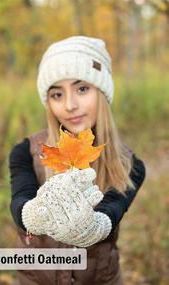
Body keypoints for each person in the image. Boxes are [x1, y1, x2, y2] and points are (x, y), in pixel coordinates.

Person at [9, 35, 146, 285]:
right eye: (57, 94)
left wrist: (98, 226)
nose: (70, 105)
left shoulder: (130, 165)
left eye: (82, 89)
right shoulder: (26, 151)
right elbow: (20, 199)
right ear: (48, 102)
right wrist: (30, 215)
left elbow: (113, 208)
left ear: (102, 92)